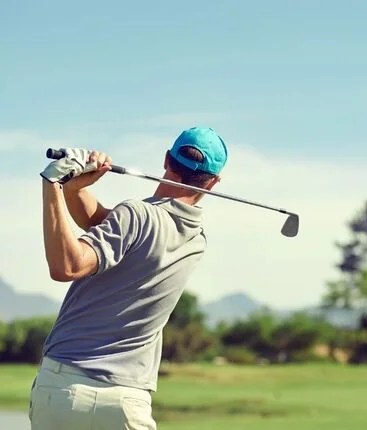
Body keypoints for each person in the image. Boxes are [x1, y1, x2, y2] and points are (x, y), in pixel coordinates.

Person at [30, 127, 228, 430]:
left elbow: (66, 266)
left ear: (166, 159)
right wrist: (75, 189)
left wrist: (54, 183)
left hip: (64, 387)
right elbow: (107, 226)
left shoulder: (136, 215)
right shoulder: (196, 239)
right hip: (126, 402)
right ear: (213, 183)